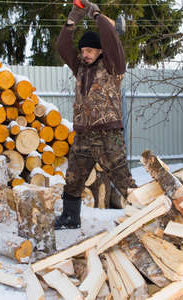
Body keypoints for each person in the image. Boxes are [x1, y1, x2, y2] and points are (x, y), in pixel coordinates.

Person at [55, 0, 137, 229]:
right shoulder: (80, 67)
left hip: (107, 135)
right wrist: (73, 19)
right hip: (83, 136)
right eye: (83, 50)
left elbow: (112, 39)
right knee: (72, 180)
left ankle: (146, 215)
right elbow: (63, 47)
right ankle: (70, 218)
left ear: (100, 50)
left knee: (123, 180)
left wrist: (96, 14)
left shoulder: (114, 66)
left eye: (90, 49)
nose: (85, 53)